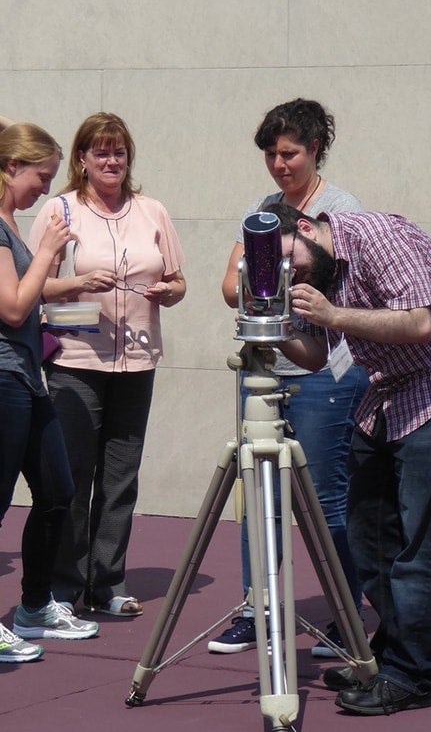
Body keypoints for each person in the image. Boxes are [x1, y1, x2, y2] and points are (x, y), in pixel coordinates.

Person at [262, 202, 431, 715]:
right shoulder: (317, 269)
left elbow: (418, 325)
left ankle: (411, 674)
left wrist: (330, 314)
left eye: (293, 264)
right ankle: (392, 654)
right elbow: (319, 355)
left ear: (305, 228)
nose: (293, 274)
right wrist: (273, 325)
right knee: (367, 532)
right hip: (390, 390)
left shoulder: (373, 233)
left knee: (422, 540)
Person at [209, 98, 369, 655]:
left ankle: (346, 612)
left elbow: (341, 295)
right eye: (271, 155)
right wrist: (258, 280)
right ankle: (259, 607)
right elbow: (232, 286)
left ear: (315, 150)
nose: (280, 166)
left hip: (325, 371)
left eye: (289, 154)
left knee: (325, 497)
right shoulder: (263, 207)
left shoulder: (341, 210)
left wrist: (278, 282)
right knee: (258, 490)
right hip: (265, 365)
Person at [28, 113, 186, 617]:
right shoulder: (59, 211)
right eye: (101, 153)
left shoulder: (152, 211)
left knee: (121, 476)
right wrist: (77, 283)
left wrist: (169, 291)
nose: (111, 161)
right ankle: (63, 587)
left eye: (119, 152)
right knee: (74, 475)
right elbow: (31, 288)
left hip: (137, 360)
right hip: (76, 361)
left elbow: (179, 282)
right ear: (82, 160)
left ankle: (108, 582)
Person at [0, 121, 99, 662]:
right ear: (12, 167)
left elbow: (25, 304)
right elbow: (13, 307)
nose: (46, 188)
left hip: (24, 375)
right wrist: (50, 252)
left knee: (57, 490)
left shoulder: (9, 223)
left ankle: (34, 607)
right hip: (3, 377)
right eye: (42, 176)